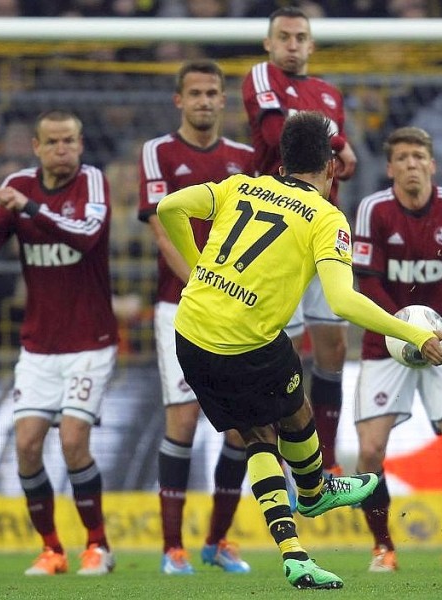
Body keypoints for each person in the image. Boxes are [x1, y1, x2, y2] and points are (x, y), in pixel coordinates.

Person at [156, 111, 442, 589]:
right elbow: (342, 300)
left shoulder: (240, 187)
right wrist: (414, 333)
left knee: (257, 436)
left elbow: (170, 207)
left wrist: (197, 271)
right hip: (244, 342)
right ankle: (313, 490)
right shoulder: (326, 217)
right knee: (293, 411)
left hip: (190, 330)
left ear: (281, 161)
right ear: (331, 168)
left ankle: (295, 552)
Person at [0, 109, 118, 576]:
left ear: (80, 143)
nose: (62, 150)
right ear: (35, 146)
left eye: (70, 141)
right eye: (52, 142)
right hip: (38, 346)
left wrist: (30, 209)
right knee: (27, 446)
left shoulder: (92, 182)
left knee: (74, 442)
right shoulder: (18, 182)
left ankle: (98, 546)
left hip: (90, 341)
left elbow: (87, 237)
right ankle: (52, 549)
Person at [137, 60, 255, 575]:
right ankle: (171, 547)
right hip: (181, 306)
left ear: (225, 101)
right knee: (182, 420)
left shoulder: (246, 159)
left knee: (241, 427)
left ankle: (217, 540)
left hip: (235, 309)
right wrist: (200, 284)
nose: (205, 100)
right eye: (196, 93)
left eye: (213, 92)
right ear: (178, 101)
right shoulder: (158, 153)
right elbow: (163, 229)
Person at [352, 127, 442, 573]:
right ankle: (382, 549)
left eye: (419, 156)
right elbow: (366, 280)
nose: (412, 164)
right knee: (370, 452)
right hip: (384, 343)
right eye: (403, 157)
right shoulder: (373, 210)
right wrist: (406, 333)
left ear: (433, 164)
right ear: (390, 169)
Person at [242, 7, 358, 475]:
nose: (292, 44)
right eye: (284, 37)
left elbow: (343, 163)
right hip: (277, 234)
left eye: (301, 37)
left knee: (333, 348)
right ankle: (292, 465)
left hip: (323, 225)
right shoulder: (259, 75)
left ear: (312, 45)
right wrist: (332, 139)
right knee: (282, 357)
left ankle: (326, 465)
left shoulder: (329, 92)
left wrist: (328, 142)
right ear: (269, 44)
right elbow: (277, 133)